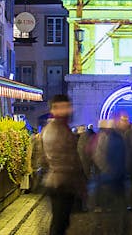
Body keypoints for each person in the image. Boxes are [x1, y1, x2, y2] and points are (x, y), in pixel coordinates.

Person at [40, 95, 85, 235]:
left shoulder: (60, 127)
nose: (68, 110)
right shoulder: (55, 129)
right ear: (54, 109)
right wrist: (79, 184)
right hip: (61, 184)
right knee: (59, 224)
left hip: (61, 183)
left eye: (68, 106)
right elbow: (65, 160)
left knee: (62, 223)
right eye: (64, 107)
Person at [94, 118, 131, 232]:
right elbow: (99, 157)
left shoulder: (117, 137)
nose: (126, 122)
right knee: (115, 213)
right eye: (123, 120)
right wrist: (108, 171)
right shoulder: (109, 137)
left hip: (114, 179)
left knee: (115, 213)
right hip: (112, 180)